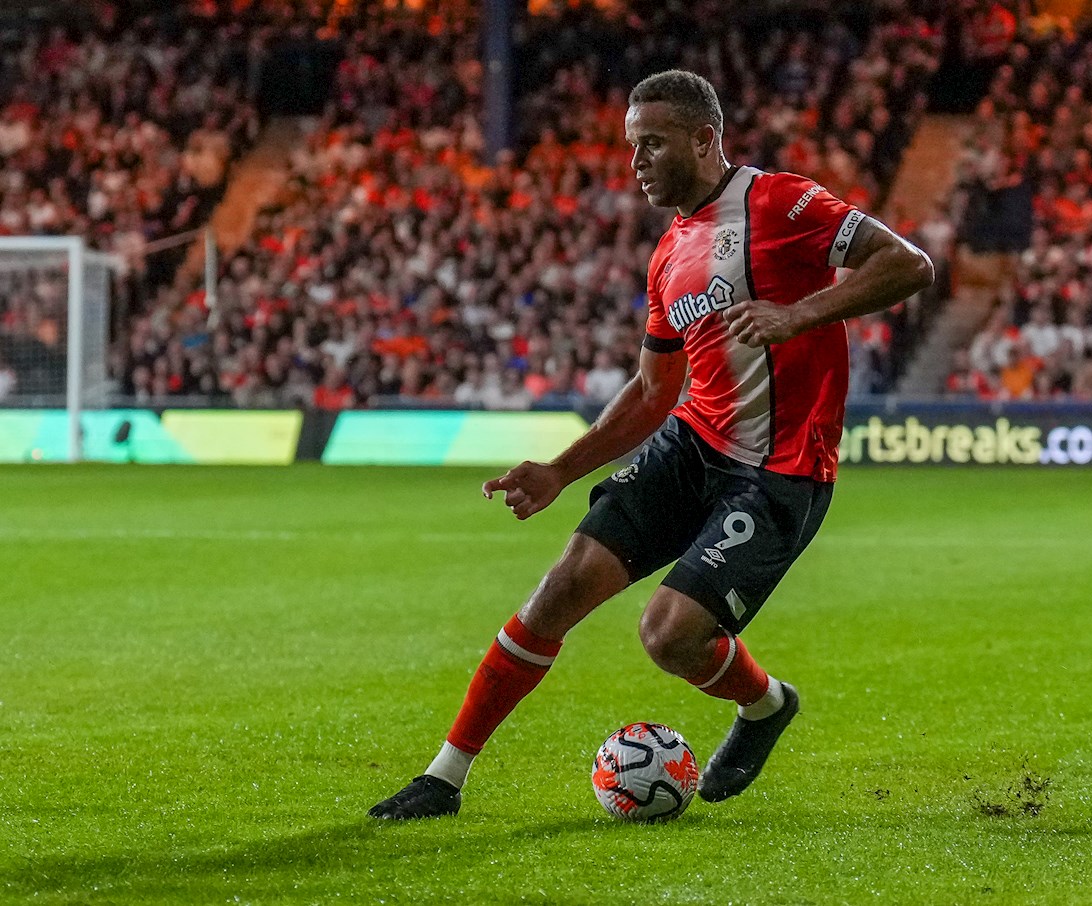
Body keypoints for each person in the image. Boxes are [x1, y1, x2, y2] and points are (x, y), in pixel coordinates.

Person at [368, 70, 934, 820]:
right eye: (632, 146)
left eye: (652, 145)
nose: (636, 163)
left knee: (669, 638)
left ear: (703, 140)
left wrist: (800, 314)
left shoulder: (779, 202)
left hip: (778, 470)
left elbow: (909, 264)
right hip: (691, 443)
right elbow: (650, 390)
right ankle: (444, 777)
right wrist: (560, 470)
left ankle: (765, 704)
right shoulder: (670, 252)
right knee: (558, 590)